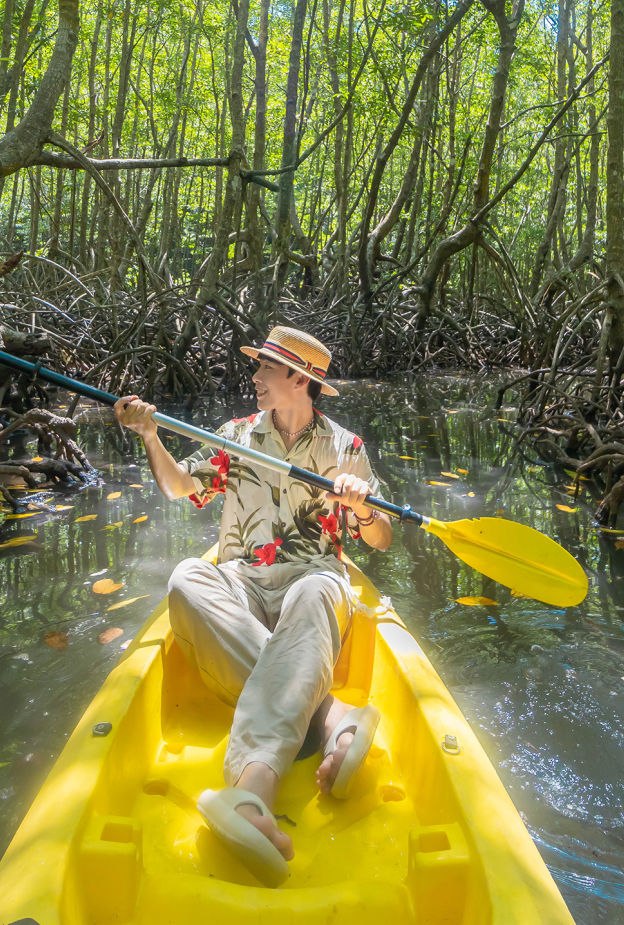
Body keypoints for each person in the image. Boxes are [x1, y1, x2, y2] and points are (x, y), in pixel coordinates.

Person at [115, 325, 391, 886]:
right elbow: (177, 488)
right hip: (241, 581)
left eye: (265, 368)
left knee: (317, 588)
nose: (255, 376)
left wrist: (361, 507)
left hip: (312, 579)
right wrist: (149, 436)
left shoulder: (347, 448)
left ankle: (254, 788)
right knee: (188, 577)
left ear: (299, 379)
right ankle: (330, 716)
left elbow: (381, 539)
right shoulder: (235, 434)